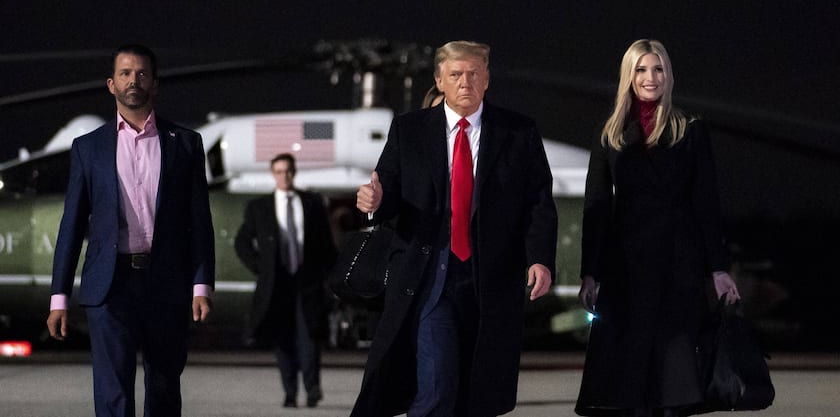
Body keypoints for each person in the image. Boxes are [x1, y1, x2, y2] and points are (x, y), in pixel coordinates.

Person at [352, 40, 558, 417]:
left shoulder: (518, 132)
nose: (466, 82)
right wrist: (375, 202)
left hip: (491, 280)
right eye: (456, 75)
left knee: (477, 394)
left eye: (474, 74)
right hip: (431, 277)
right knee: (436, 389)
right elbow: (390, 191)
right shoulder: (409, 130)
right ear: (439, 80)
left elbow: (539, 204)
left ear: (487, 79)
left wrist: (540, 259)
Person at [46, 44, 215, 417]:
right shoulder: (88, 149)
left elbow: (199, 222)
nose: (133, 80)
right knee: (113, 391)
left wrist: (201, 286)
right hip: (110, 286)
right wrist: (59, 296)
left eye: (141, 73)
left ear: (155, 84)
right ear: (111, 84)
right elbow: (71, 225)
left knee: (164, 386)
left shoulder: (186, 144)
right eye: (124, 73)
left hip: (167, 282)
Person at [575, 39, 740, 417]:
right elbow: (596, 207)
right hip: (625, 269)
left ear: (669, 75)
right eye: (641, 69)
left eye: (658, 69)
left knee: (674, 377)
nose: (650, 78)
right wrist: (590, 272)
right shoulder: (610, 133)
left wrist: (717, 267)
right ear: (628, 76)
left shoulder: (691, 129)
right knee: (629, 378)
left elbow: (706, 203)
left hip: (678, 266)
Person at [234, 153, 337, 408]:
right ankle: (290, 392)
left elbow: (326, 245)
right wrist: (261, 268)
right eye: (279, 171)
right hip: (277, 285)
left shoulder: (312, 203)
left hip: (307, 282)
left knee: (310, 337)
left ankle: (313, 389)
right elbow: (242, 242)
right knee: (283, 339)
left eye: (288, 171)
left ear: (294, 172)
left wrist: (331, 278)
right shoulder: (259, 207)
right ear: (273, 174)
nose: (284, 176)